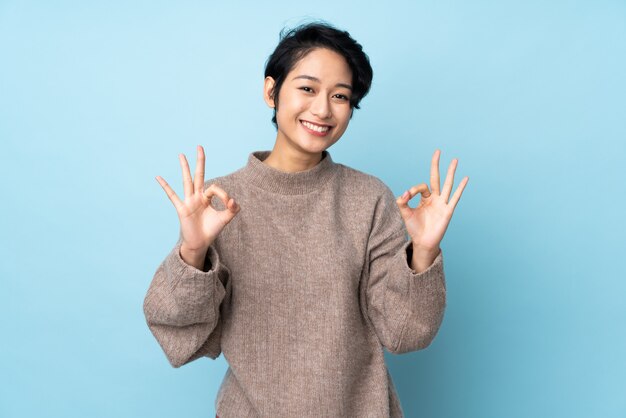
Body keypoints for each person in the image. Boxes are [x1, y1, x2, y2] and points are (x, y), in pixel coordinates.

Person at [143, 20, 468, 418]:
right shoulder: (218, 203)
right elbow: (180, 337)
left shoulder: (369, 198)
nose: (322, 109)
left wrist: (423, 252)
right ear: (271, 91)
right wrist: (193, 253)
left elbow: (403, 333)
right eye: (308, 88)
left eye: (341, 96)